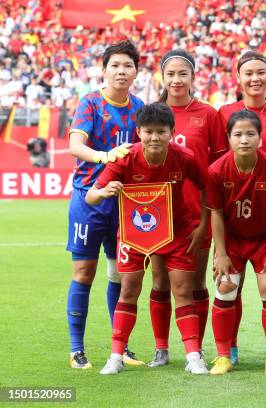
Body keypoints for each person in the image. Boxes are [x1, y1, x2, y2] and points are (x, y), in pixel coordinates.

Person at [86, 102, 208, 375]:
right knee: (128, 290)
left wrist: (202, 228)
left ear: (171, 132)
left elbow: (207, 190)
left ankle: (193, 355)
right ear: (138, 132)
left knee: (183, 292)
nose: (154, 137)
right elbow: (90, 196)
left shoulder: (184, 157)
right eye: (149, 131)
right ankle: (116, 355)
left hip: (177, 234)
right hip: (133, 236)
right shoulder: (125, 158)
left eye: (161, 131)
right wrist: (106, 191)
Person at [65, 40, 144, 369]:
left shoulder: (139, 107)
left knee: (119, 275)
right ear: (104, 69)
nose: (121, 71)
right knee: (84, 272)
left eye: (127, 65)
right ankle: (76, 348)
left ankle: (120, 348)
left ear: (136, 71)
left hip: (122, 202)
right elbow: (74, 144)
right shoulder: (90, 104)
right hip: (88, 198)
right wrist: (103, 156)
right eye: (115, 65)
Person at [148, 49, 228, 368]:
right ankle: (161, 348)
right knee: (159, 281)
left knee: (195, 283)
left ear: (193, 77)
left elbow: (219, 168)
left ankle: (196, 348)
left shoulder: (209, 115)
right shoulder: (152, 113)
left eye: (183, 73)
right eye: (171, 74)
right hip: (155, 216)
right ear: (163, 77)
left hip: (197, 215)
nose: (177, 80)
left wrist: (210, 216)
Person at [217, 51, 266, 364]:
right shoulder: (225, 112)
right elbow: (220, 163)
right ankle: (228, 349)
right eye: (248, 73)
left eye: (261, 72)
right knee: (230, 284)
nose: (255, 78)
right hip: (234, 214)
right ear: (239, 78)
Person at [206, 110, 266, 376]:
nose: (244, 140)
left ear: (260, 138)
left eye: (250, 134)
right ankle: (222, 356)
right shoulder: (216, 171)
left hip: (263, 240)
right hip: (232, 241)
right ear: (228, 138)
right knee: (225, 288)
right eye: (238, 134)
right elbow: (215, 214)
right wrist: (220, 253)